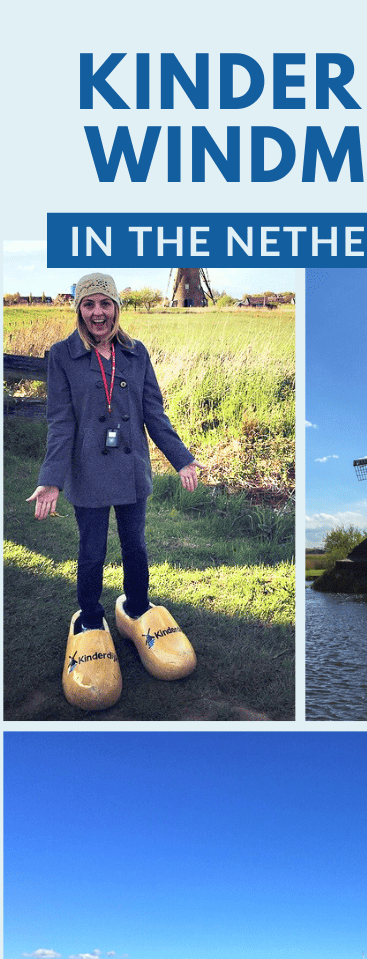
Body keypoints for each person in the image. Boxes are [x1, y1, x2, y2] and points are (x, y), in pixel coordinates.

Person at [28, 272, 200, 711]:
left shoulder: (136, 353)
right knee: (92, 550)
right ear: (78, 309)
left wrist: (181, 457)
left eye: (106, 304)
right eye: (89, 305)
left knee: (136, 545)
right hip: (87, 473)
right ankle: (89, 619)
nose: (98, 313)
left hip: (130, 472)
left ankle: (137, 608)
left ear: (117, 308)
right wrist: (51, 477)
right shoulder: (61, 355)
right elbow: (61, 423)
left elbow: (154, 414)